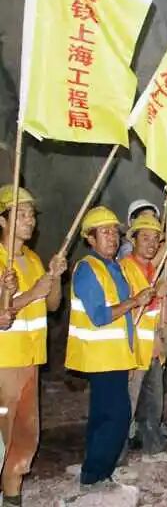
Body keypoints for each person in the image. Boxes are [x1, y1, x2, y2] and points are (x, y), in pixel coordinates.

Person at [66, 206, 159, 489]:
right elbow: (100, 315)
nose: (112, 238)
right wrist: (134, 301)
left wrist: (130, 355)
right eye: (104, 232)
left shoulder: (114, 268)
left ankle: (98, 472)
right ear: (90, 239)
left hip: (116, 356)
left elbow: (126, 321)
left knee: (107, 416)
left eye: (114, 233)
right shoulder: (87, 269)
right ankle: (95, 475)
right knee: (115, 416)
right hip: (99, 357)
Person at [0, 185, 66, 504]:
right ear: (2, 220)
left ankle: (12, 498)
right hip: (4, 364)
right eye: (21, 214)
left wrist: (54, 278)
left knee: (24, 438)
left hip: (30, 361)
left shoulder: (33, 259)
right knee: (1, 437)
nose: (30, 221)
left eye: (31, 215)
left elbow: (52, 305)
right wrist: (30, 294)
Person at [118, 214, 167, 462]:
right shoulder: (124, 268)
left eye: (155, 239)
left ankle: (153, 448)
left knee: (154, 403)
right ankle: (116, 459)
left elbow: (160, 311)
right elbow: (126, 307)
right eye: (145, 238)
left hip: (154, 347)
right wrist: (155, 295)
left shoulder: (154, 270)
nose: (151, 244)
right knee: (126, 407)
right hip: (134, 349)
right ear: (134, 240)